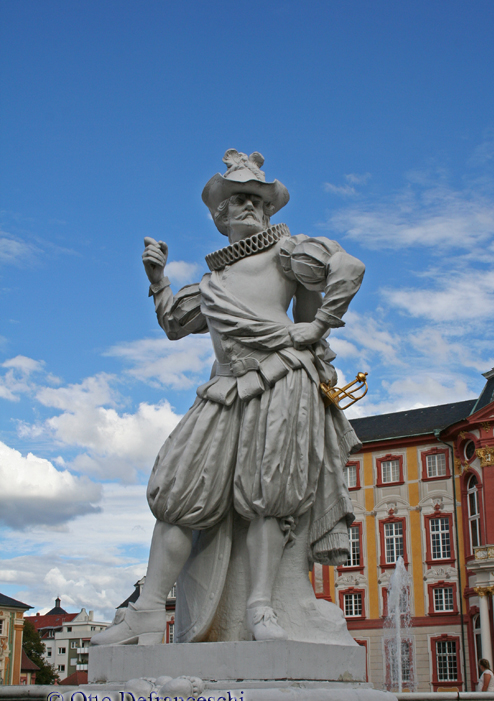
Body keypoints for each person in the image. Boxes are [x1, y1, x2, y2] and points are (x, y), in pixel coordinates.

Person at [92, 149, 365, 646]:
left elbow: (349, 268)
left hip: (282, 375)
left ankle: (261, 608)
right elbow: (177, 323)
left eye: (253, 198)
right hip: (223, 388)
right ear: (219, 217)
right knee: (175, 494)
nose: (243, 206)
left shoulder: (288, 251)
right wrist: (158, 281)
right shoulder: (214, 281)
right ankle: (148, 612)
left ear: (267, 209)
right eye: (234, 199)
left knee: (266, 496)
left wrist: (319, 325)